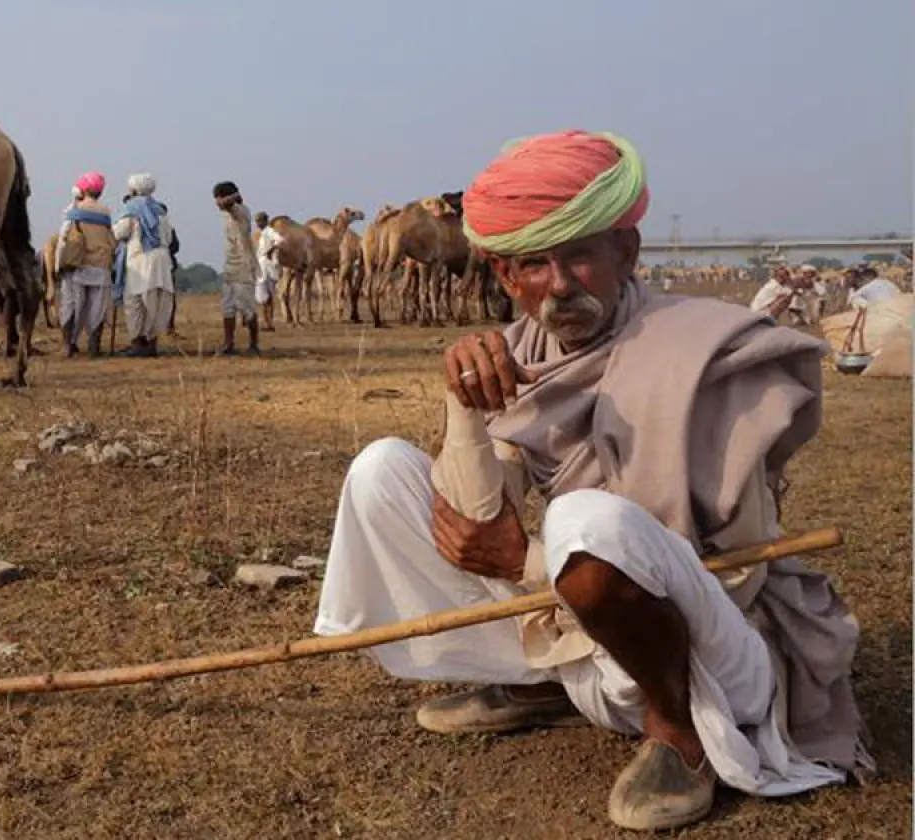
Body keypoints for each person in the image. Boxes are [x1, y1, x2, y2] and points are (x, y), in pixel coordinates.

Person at [312, 129, 870, 833]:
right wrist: (465, 407)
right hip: (582, 627)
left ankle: (677, 736)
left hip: (714, 657)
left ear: (624, 254)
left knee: (584, 518)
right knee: (380, 470)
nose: (558, 285)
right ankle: (536, 679)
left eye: (578, 255)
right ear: (501, 275)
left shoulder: (702, 352)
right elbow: (479, 525)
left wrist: (525, 562)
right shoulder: (519, 354)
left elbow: (721, 578)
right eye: (530, 266)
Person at [112, 173, 176, 357]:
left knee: (134, 303)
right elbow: (169, 237)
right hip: (162, 261)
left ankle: (137, 343)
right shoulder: (161, 212)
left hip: (140, 260)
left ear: (133, 190)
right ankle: (150, 343)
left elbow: (118, 233)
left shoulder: (131, 210)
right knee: (154, 304)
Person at [54, 172, 117, 356]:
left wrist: (58, 266)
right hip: (101, 266)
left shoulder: (74, 211)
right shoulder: (106, 212)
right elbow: (112, 240)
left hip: (78, 265)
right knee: (97, 309)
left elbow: (64, 239)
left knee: (72, 306)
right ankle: (94, 347)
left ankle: (68, 345)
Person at [212, 181, 260, 355]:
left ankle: (254, 344)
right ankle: (228, 343)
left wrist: (229, 198)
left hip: (244, 265)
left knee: (247, 307)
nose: (216, 204)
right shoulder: (227, 214)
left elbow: (228, 205)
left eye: (216, 198)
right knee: (228, 306)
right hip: (230, 265)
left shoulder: (239, 211)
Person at [254, 211, 282, 330]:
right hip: (261, 265)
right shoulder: (260, 234)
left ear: (265, 221)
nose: (258, 223)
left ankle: (269, 323)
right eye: (257, 221)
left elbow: (280, 240)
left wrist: (271, 250)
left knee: (268, 296)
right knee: (263, 297)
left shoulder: (270, 232)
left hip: (268, 265)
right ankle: (267, 322)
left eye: (260, 220)